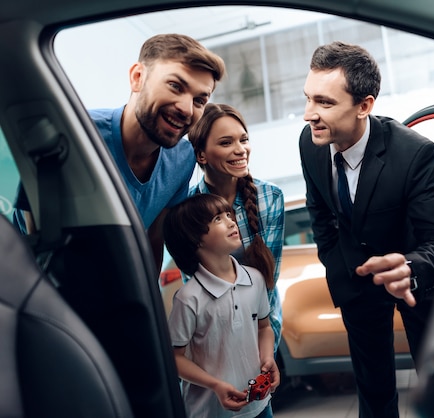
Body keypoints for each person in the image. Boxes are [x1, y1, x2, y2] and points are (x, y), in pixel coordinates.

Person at [299, 41, 434, 418]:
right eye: (307, 98)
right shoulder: (310, 143)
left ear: (364, 105)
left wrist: (410, 268)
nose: (309, 114)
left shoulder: (416, 154)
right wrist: (340, 268)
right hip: (357, 284)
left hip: (417, 285)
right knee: (373, 392)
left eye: (324, 102)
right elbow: (319, 211)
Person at [14, 33, 226, 271]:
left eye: (199, 100)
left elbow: (154, 239)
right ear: (138, 78)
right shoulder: (74, 136)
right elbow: (36, 235)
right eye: (175, 86)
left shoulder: (183, 158)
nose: (187, 110)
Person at [164, 193, 279, 418]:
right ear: (195, 238)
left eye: (229, 215)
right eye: (218, 219)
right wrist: (216, 385)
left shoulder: (254, 278)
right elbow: (174, 358)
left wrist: (268, 358)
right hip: (211, 412)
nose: (230, 221)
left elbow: (264, 327)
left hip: (260, 406)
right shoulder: (188, 298)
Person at [187, 103, 285, 353]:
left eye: (244, 139)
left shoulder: (270, 197)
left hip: (261, 330)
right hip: (211, 336)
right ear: (201, 154)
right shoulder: (186, 208)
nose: (241, 150)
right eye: (226, 142)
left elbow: (268, 283)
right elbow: (196, 284)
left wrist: (265, 347)